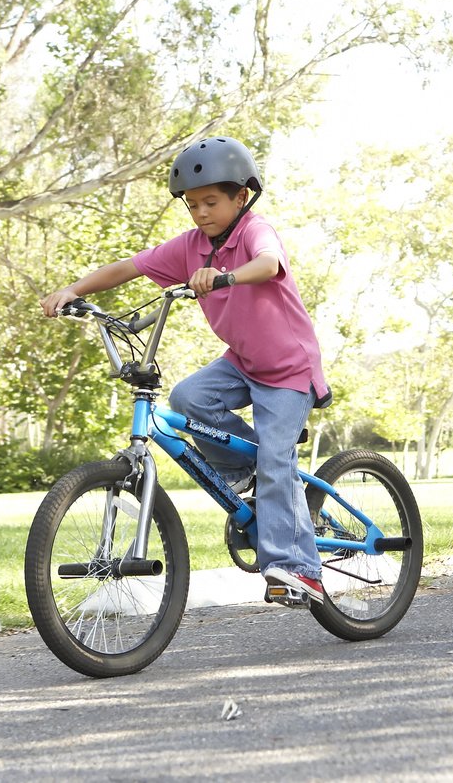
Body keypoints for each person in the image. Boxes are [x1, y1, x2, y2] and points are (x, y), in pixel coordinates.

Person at [40, 136, 331, 607]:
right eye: (192, 204)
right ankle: (250, 472)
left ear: (242, 196)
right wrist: (73, 289)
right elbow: (129, 268)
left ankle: (300, 570)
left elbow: (268, 262)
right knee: (188, 399)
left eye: (211, 202)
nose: (200, 213)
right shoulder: (192, 247)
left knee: (277, 461)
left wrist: (226, 277)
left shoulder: (255, 232)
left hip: (288, 370)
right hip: (242, 362)